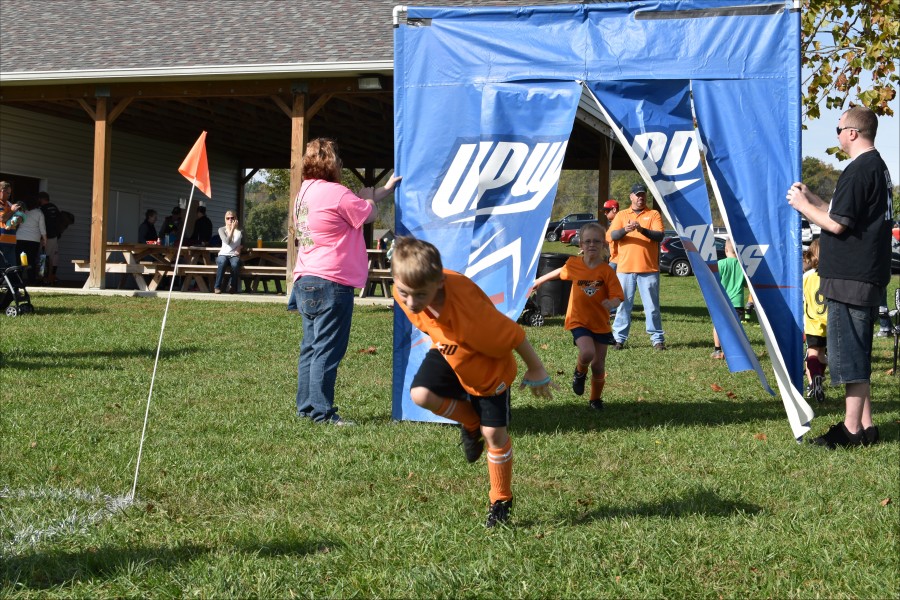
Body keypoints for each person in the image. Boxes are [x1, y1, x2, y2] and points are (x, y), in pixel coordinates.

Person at [391, 236, 554, 527]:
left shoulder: (472, 315)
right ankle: (469, 422)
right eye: (405, 293)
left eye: (420, 295)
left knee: (494, 435)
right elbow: (427, 319)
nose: (411, 302)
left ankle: (500, 500)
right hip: (450, 350)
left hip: (489, 369)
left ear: (439, 282)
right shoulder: (405, 287)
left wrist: (537, 369)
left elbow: (513, 334)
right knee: (421, 394)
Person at [786, 105, 893, 449]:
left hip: (853, 277)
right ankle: (867, 427)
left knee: (850, 355)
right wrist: (811, 198)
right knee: (857, 351)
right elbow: (837, 212)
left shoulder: (860, 170)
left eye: (838, 128)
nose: (835, 134)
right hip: (862, 276)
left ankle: (849, 431)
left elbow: (835, 224)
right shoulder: (874, 167)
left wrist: (802, 207)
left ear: (852, 133)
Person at [292, 138, 401, 425]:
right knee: (327, 349)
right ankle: (322, 413)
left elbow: (353, 203)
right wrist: (368, 198)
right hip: (332, 281)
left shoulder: (304, 192)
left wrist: (382, 191)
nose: (341, 166)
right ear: (333, 164)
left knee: (310, 347)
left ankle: (306, 408)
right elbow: (367, 213)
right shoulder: (338, 194)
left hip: (305, 278)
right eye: (340, 162)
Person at [532, 222, 623, 410]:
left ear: (603, 245)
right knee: (587, 352)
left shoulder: (606, 271)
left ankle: (595, 400)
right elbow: (561, 272)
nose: (591, 245)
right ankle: (579, 372)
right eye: (587, 241)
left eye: (596, 241)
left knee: (598, 365)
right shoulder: (574, 264)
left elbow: (618, 295)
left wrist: (612, 302)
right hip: (578, 320)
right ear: (580, 245)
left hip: (600, 323)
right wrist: (540, 279)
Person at [608, 183, 666, 350]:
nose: (641, 197)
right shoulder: (621, 215)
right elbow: (612, 235)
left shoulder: (653, 214)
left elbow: (659, 235)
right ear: (631, 197)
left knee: (652, 307)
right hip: (625, 269)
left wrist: (641, 229)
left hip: (648, 269)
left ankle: (657, 339)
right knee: (622, 306)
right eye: (637, 195)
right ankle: (618, 339)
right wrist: (625, 230)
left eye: (643, 195)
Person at [710, 239, 746, 360]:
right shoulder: (743, 266)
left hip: (722, 302)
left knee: (718, 325)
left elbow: (714, 282)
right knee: (735, 328)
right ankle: (734, 351)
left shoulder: (720, 264)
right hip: (738, 303)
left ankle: (717, 350)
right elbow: (746, 284)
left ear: (725, 250)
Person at [802, 239, 827, 403]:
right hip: (830, 320)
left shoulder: (806, 276)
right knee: (823, 354)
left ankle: (815, 378)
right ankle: (820, 377)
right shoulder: (832, 276)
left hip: (812, 322)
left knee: (812, 352)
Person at [14, 196, 46, 284]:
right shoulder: (39, 213)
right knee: (31, 261)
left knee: (19, 261)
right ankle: (31, 280)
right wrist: (44, 240)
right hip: (34, 240)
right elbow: (42, 228)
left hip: (20, 238)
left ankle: (18, 281)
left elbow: (15, 223)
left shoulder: (22, 211)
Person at [214, 210, 243, 294]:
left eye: (232, 218)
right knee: (222, 262)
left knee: (235, 264)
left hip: (234, 255)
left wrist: (240, 247)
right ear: (225, 219)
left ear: (235, 219)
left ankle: (233, 287)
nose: (230, 220)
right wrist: (232, 229)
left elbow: (245, 243)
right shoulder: (222, 229)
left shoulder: (241, 230)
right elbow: (227, 241)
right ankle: (217, 287)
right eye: (228, 218)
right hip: (223, 254)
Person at [38, 192, 60, 284]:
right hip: (54, 236)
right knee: (53, 257)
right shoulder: (54, 207)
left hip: (45, 237)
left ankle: (43, 278)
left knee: (43, 257)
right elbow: (59, 220)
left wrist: (43, 237)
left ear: (41, 199)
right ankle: (51, 277)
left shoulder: (42, 209)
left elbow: (42, 224)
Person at [0, 181, 23, 268]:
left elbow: (17, 220)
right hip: (2, 242)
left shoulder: (8, 204)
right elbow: (2, 219)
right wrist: (12, 211)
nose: (9, 195)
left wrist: (19, 218)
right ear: (2, 191)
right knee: (2, 269)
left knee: (11, 269)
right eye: (8, 193)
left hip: (11, 241)